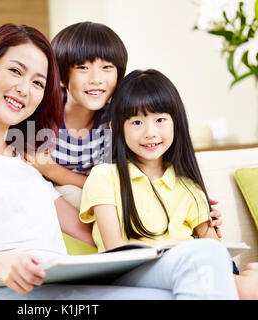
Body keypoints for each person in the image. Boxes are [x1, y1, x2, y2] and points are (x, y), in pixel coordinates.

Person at [0, 24, 239, 300]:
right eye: (14, 71)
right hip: (1, 289)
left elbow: (94, 228)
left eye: (37, 82)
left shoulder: (28, 158)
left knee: (206, 257)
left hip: (62, 282)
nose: (25, 88)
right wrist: (0, 264)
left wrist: (190, 213)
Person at [0, 21, 223, 236]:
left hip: (97, 193)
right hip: (62, 200)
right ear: (62, 78)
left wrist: (192, 205)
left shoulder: (117, 121)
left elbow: (138, 173)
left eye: (107, 68)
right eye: (83, 68)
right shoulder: (40, 115)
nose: (96, 80)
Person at [79, 69, 258, 299]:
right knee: (246, 287)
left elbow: (214, 249)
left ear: (176, 122)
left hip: (194, 267)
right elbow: (115, 249)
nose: (150, 133)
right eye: (136, 122)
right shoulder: (104, 176)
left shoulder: (188, 185)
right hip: (133, 271)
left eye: (160, 119)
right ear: (116, 127)